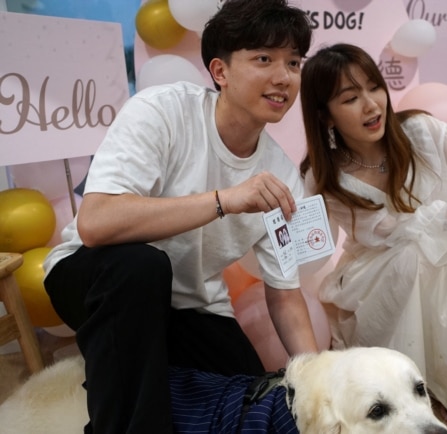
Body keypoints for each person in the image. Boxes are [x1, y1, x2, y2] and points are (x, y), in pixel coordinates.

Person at [43, 1, 318, 433]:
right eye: (264, 59)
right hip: (94, 279)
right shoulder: (162, 111)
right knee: (143, 265)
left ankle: (130, 371)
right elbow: (95, 223)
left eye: (294, 62)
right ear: (220, 71)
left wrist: (320, 379)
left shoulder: (282, 174)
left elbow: (284, 295)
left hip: (188, 305)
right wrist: (224, 199)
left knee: (244, 392)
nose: (283, 77)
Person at [299, 43, 447, 421]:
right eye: (351, 98)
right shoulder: (323, 176)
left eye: (375, 87)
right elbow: (360, 239)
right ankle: (406, 387)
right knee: (413, 258)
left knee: (429, 258)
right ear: (325, 116)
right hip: (377, 275)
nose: (372, 105)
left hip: (444, 257)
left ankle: (441, 382)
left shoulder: (422, 131)